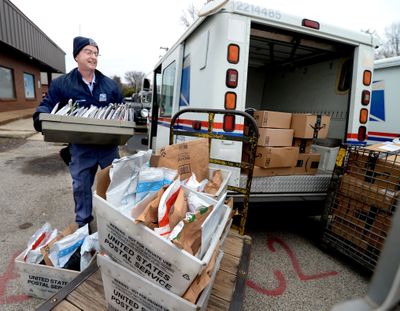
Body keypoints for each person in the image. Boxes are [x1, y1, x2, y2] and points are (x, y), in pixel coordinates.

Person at [33, 36, 123, 229]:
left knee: (116, 185)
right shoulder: (63, 84)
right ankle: (83, 226)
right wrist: (40, 116)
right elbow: (47, 104)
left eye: (96, 53)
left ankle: (116, 224)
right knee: (81, 187)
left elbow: (122, 109)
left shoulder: (109, 85)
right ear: (76, 56)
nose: (93, 57)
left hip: (108, 147)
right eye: (88, 52)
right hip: (81, 147)